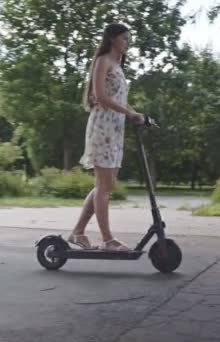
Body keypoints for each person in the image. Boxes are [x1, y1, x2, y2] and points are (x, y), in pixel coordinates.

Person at [67, 23, 144, 251]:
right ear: (112, 39)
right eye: (124, 38)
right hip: (103, 128)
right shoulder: (103, 61)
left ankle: (78, 233)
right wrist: (129, 113)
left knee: (105, 185)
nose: (127, 43)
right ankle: (108, 240)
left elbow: (119, 99)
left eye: (128, 39)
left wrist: (136, 114)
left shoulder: (118, 65)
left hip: (115, 130)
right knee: (104, 186)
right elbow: (100, 96)